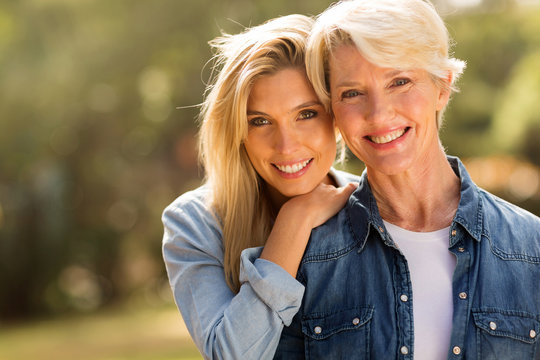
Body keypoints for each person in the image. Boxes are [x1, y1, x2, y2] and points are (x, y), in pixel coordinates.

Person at [274, 1, 540, 359]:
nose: (379, 113)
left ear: (442, 87)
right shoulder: (302, 259)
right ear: (332, 111)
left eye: (400, 81)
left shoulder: (532, 249)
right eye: (352, 93)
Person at [161, 14, 358, 360]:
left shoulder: (375, 206)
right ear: (238, 132)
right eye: (260, 121)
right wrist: (293, 223)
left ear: (336, 115)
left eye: (306, 114)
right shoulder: (194, 224)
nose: (286, 145)